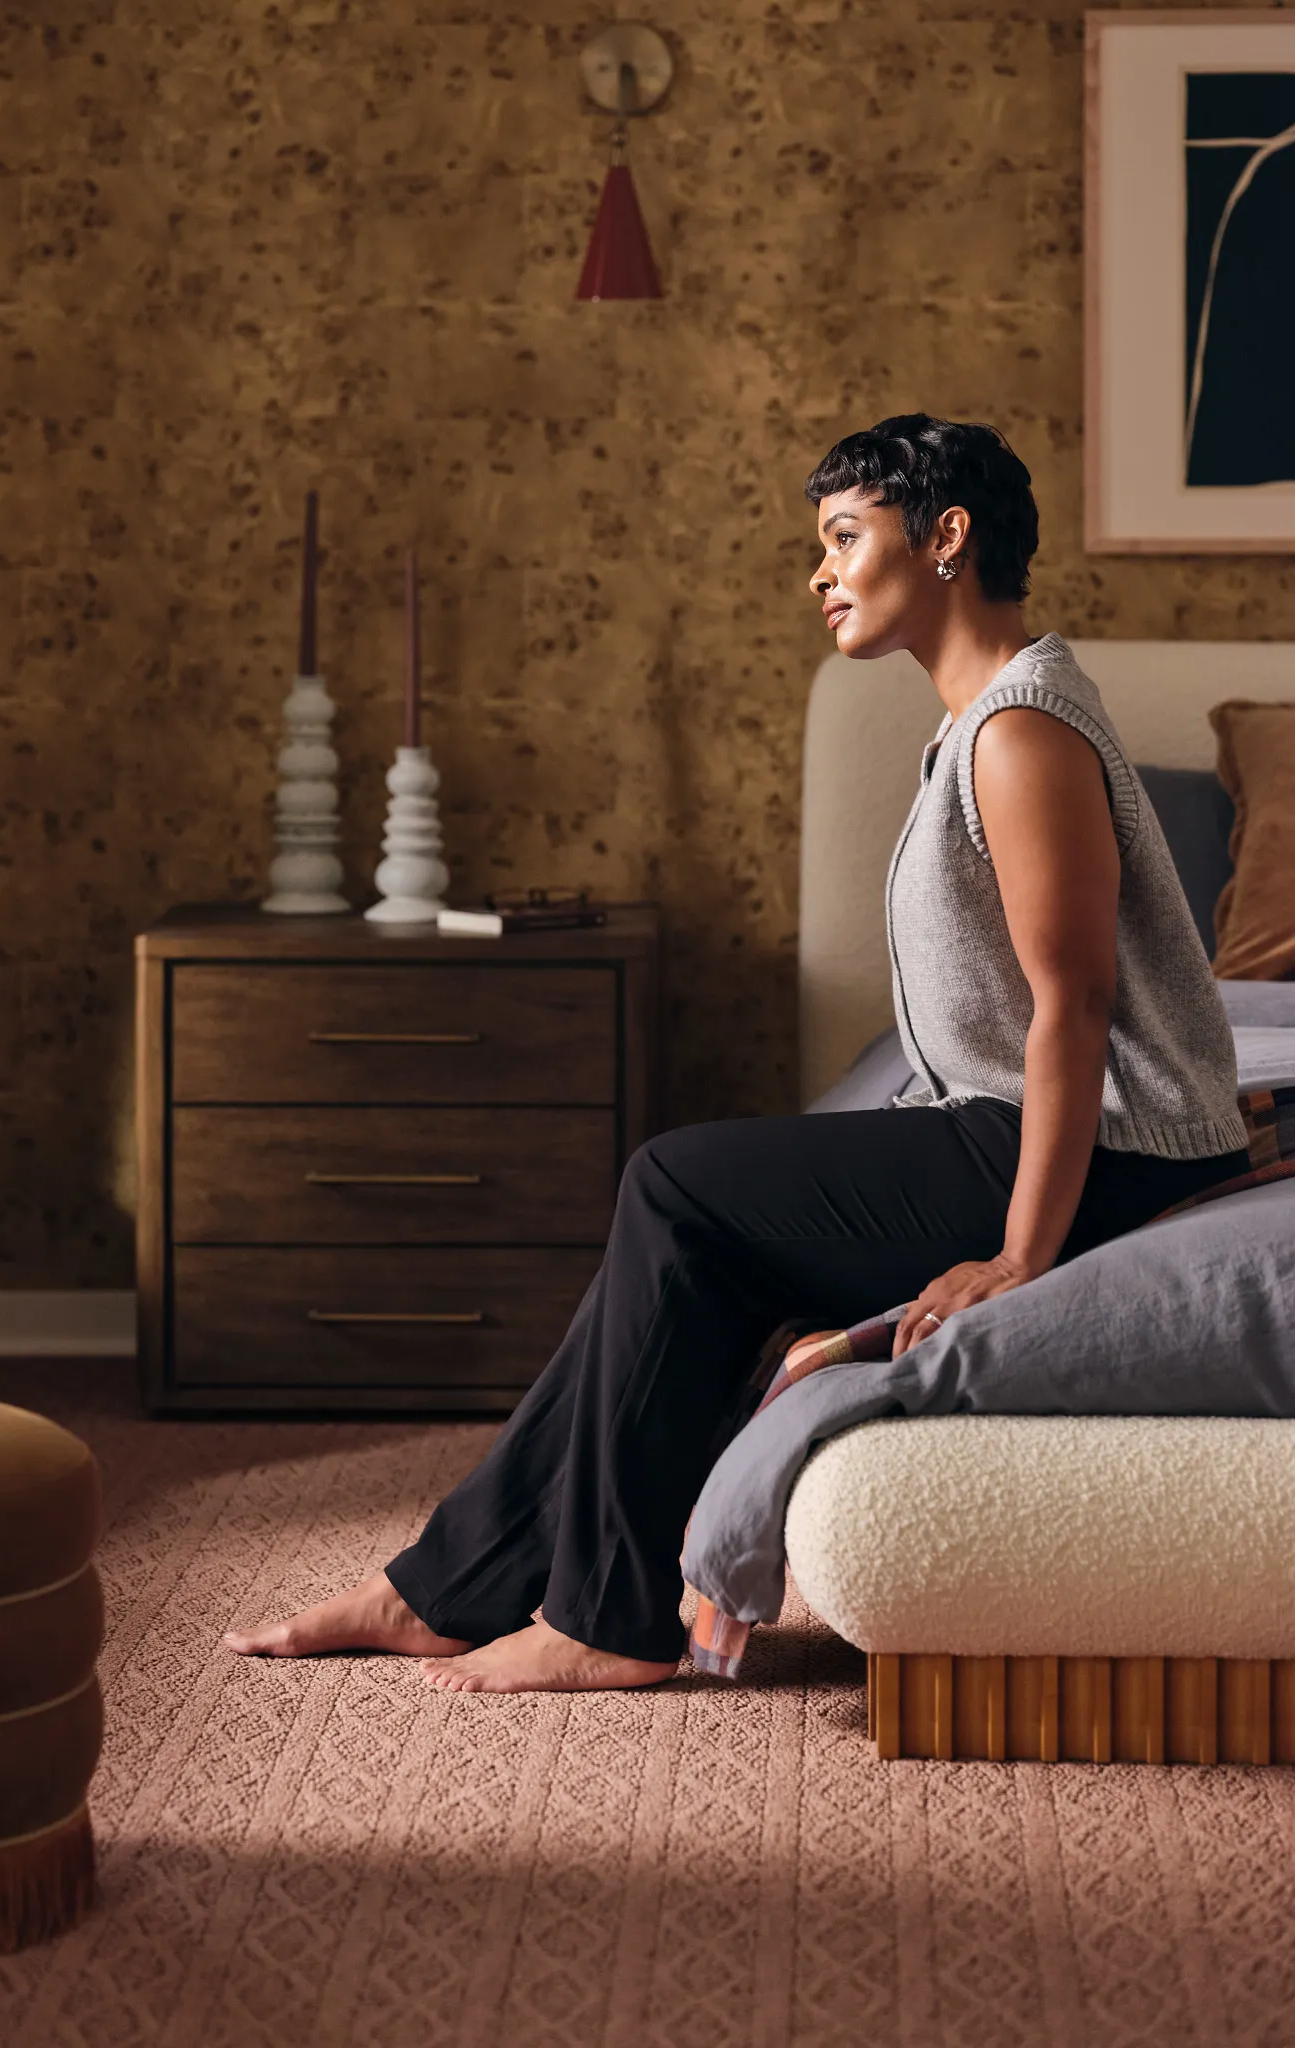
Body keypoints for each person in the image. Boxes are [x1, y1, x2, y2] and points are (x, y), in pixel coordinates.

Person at [223, 414, 1250, 1695]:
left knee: (676, 1182)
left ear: (945, 538)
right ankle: (443, 1584)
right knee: (692, 1232)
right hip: (1025, 1127)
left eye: (842, 537)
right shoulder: (985, 718)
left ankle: (602, 1615)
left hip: (1107, 1152)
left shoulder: (1022, 729)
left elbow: (1075, 1008)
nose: (819, 573)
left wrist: (1019, 1256)